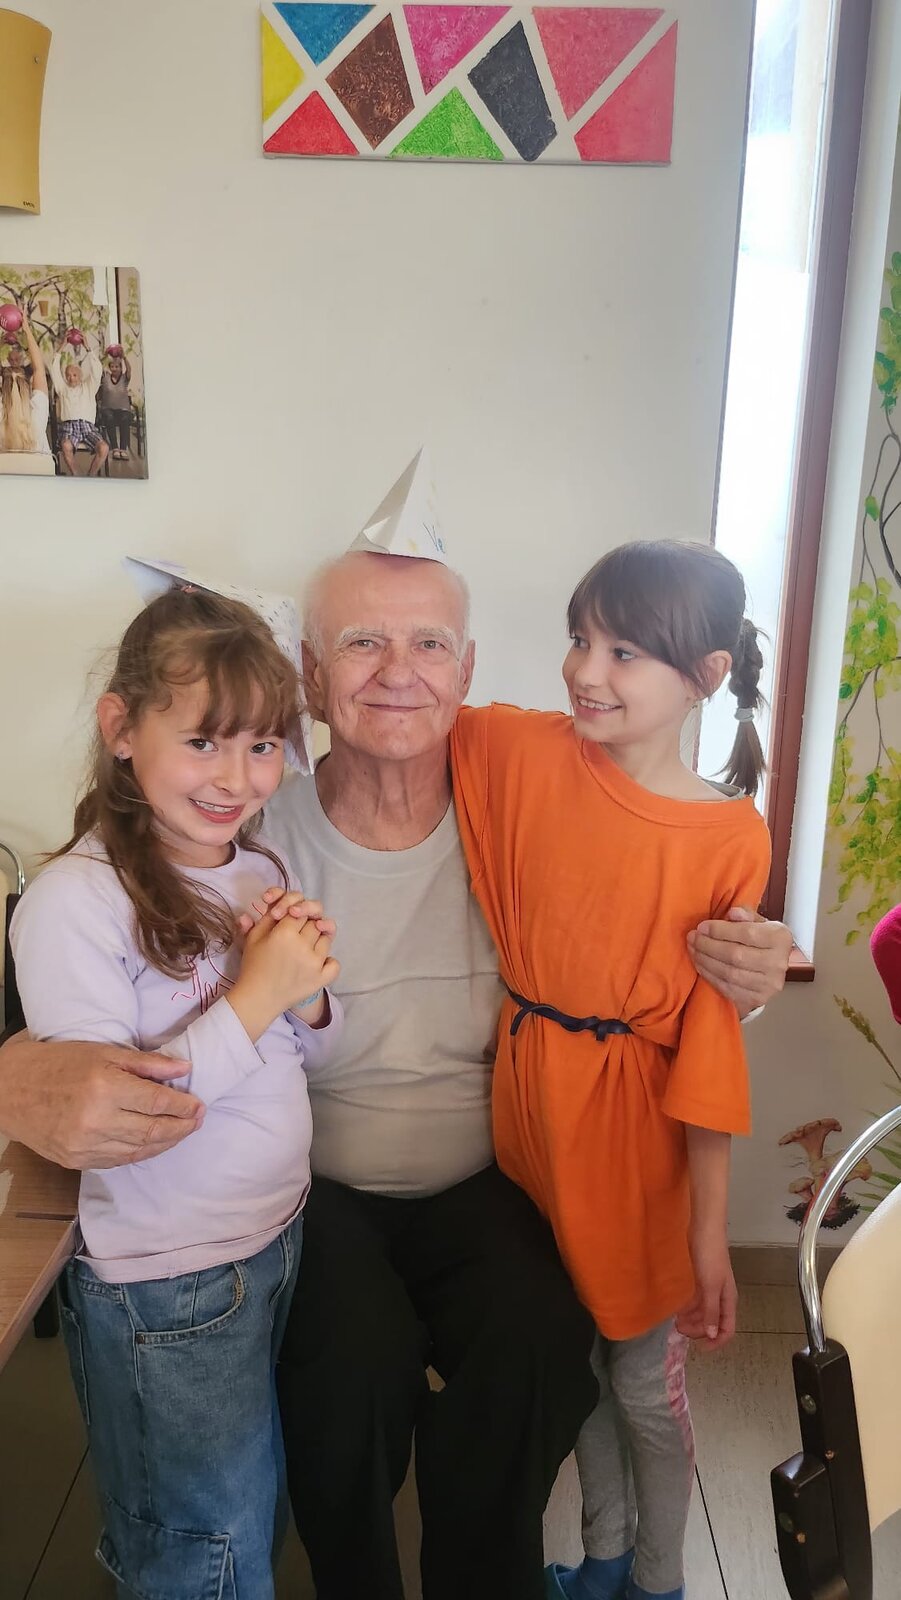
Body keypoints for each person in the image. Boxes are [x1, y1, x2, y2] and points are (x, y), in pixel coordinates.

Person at [0, 550, 793, 1600]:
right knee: (347, 1367)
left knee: (539, 1340)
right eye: (361, 642)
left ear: (466, 672)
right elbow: (110, 959)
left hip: (489, 1172)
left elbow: (652, 923)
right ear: (310, 675)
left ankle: (485, 1576)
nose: (397, 671)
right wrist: (18, 1067)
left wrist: (746, 967)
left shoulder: (524, 799)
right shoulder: (245, 823)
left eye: (427, 644)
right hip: (311, 1187)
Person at [449, 540, 773, 1600]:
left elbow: (708, 1045)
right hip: (533, 1132)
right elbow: (405, 704)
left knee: (641, 1384)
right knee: (573, 1369)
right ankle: (603, 1557)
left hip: (639, 1155)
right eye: (579, 639)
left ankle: (660, 1580)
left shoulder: (727, 837)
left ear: (705, 675)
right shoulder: (521, 752)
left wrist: (708, 1232)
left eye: (623, 651)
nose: (585, 671)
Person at [10, 586, 342, 1600]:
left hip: (271, 1239)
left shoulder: (253, 866)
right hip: (170, 1281)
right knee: (200, 1548)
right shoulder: (75, 900)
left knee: (244, 1511)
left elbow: (307, 1055)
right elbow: (121, 1118)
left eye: (261, 745)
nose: (236, 777)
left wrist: (309, 995)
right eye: (202, 741)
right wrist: (261, 991)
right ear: (122, 727)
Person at [49, 331, 109, 476]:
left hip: (88, 427)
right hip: (69, 426)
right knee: (66, 445)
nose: (71, 378)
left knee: (104, 448)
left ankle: (90, 476)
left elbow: (97, 370)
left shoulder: (89, 387)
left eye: (75, 375)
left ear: (81, 376)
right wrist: (62, 346)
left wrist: (88, 348)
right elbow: (54, 368)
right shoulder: (62, 388)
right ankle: (76, 476)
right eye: (68, 375)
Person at [0, 309, 51, 455]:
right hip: (39, 470)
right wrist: (26, 330)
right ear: (26, 385)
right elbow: (39, 369)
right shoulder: (38, 410)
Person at [98, 347, 133, 460]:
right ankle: (115, 448)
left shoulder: (124, 378)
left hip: (123, 409)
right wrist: (104, 356)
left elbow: (129, 369)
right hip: (107, 409)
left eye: (117, 366)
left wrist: (124, 357)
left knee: (125, 418)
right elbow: (97, 366)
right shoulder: (105, 377)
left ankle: (123, 449)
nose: (114, 368)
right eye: (112, 366)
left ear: (121, 368)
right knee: (109, 417)